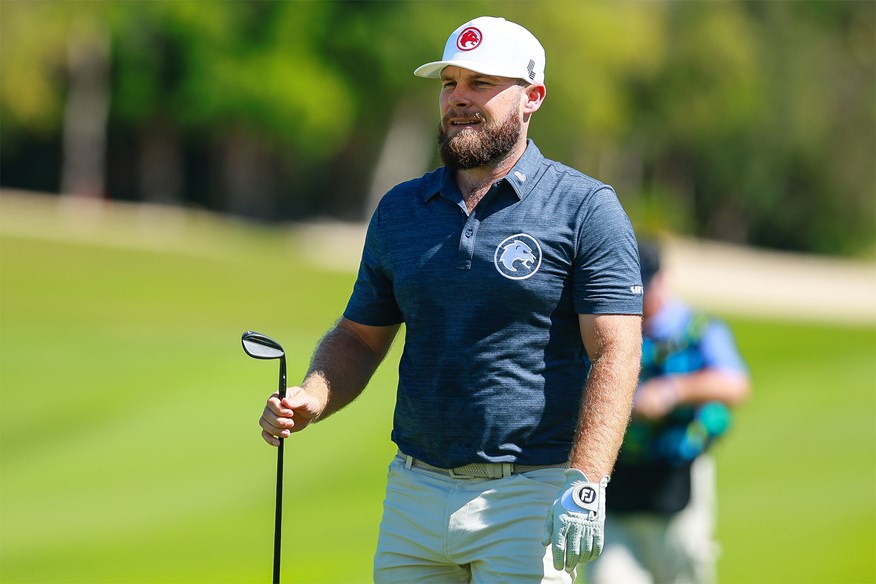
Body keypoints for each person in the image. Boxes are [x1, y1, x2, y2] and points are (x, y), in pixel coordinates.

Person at [258, 16, 643, 583]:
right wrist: (313, 395)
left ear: (531, 96)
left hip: (530, 495)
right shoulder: (401, 209)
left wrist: (586, 482)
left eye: (481, 83)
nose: (459, 99)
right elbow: (359, 336)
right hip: (414, 490)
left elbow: (616, 352)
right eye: (449, 83)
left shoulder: (585, 208)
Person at [586, 239, 751, 584]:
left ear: (661, 279)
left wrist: (673, 391)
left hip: (677, 477)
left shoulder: (698, 328)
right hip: (615, 482)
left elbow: (734, 384)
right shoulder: (604, 327)